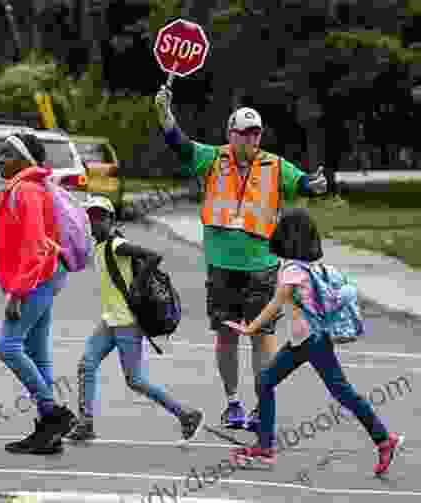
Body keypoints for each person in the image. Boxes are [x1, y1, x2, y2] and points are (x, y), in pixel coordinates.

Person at [155, 87, 328, 431]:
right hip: (221, 267)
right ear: (230, 134)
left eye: (256, 132)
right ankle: (233, 403)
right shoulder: (212, 158)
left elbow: (304, 183)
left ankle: (261, 406)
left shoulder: (275, 166)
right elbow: (179, 142)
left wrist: (315, 184)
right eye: (244, 132)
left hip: (261, 268)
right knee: (226, 337)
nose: (251, 138)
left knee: (262, 337)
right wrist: (164, 112)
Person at [230, 208, 404, 473]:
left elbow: (276, 304)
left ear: (287, 236)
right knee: (266, 382)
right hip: (306, 341)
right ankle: (265, 448)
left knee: (342, 392)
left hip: (312, 342)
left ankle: (384, 439)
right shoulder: (311, 266)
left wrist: (250, 328)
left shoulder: (291, 270)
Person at [66, 195, 205, 443]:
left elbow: (153, 256)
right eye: (90, 217)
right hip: (111, 320)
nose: (94, 221)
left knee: (135, 380)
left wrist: (137, 287)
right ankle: (86, 423)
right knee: (86, 365)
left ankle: (186, 414)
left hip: (127, 323)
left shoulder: (116, 244)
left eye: (100, 217)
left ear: (111, 220)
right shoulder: (98, 246)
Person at [0, 133, 76, 455]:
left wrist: (18, 292)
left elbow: (35, 246)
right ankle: (47, 432)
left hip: (38, 276)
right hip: (46, 274)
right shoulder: (28, 187)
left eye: (6, 154)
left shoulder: (25, 190)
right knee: (37, 352)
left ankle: (53, 415)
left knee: (8, 346)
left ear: (25, 160)